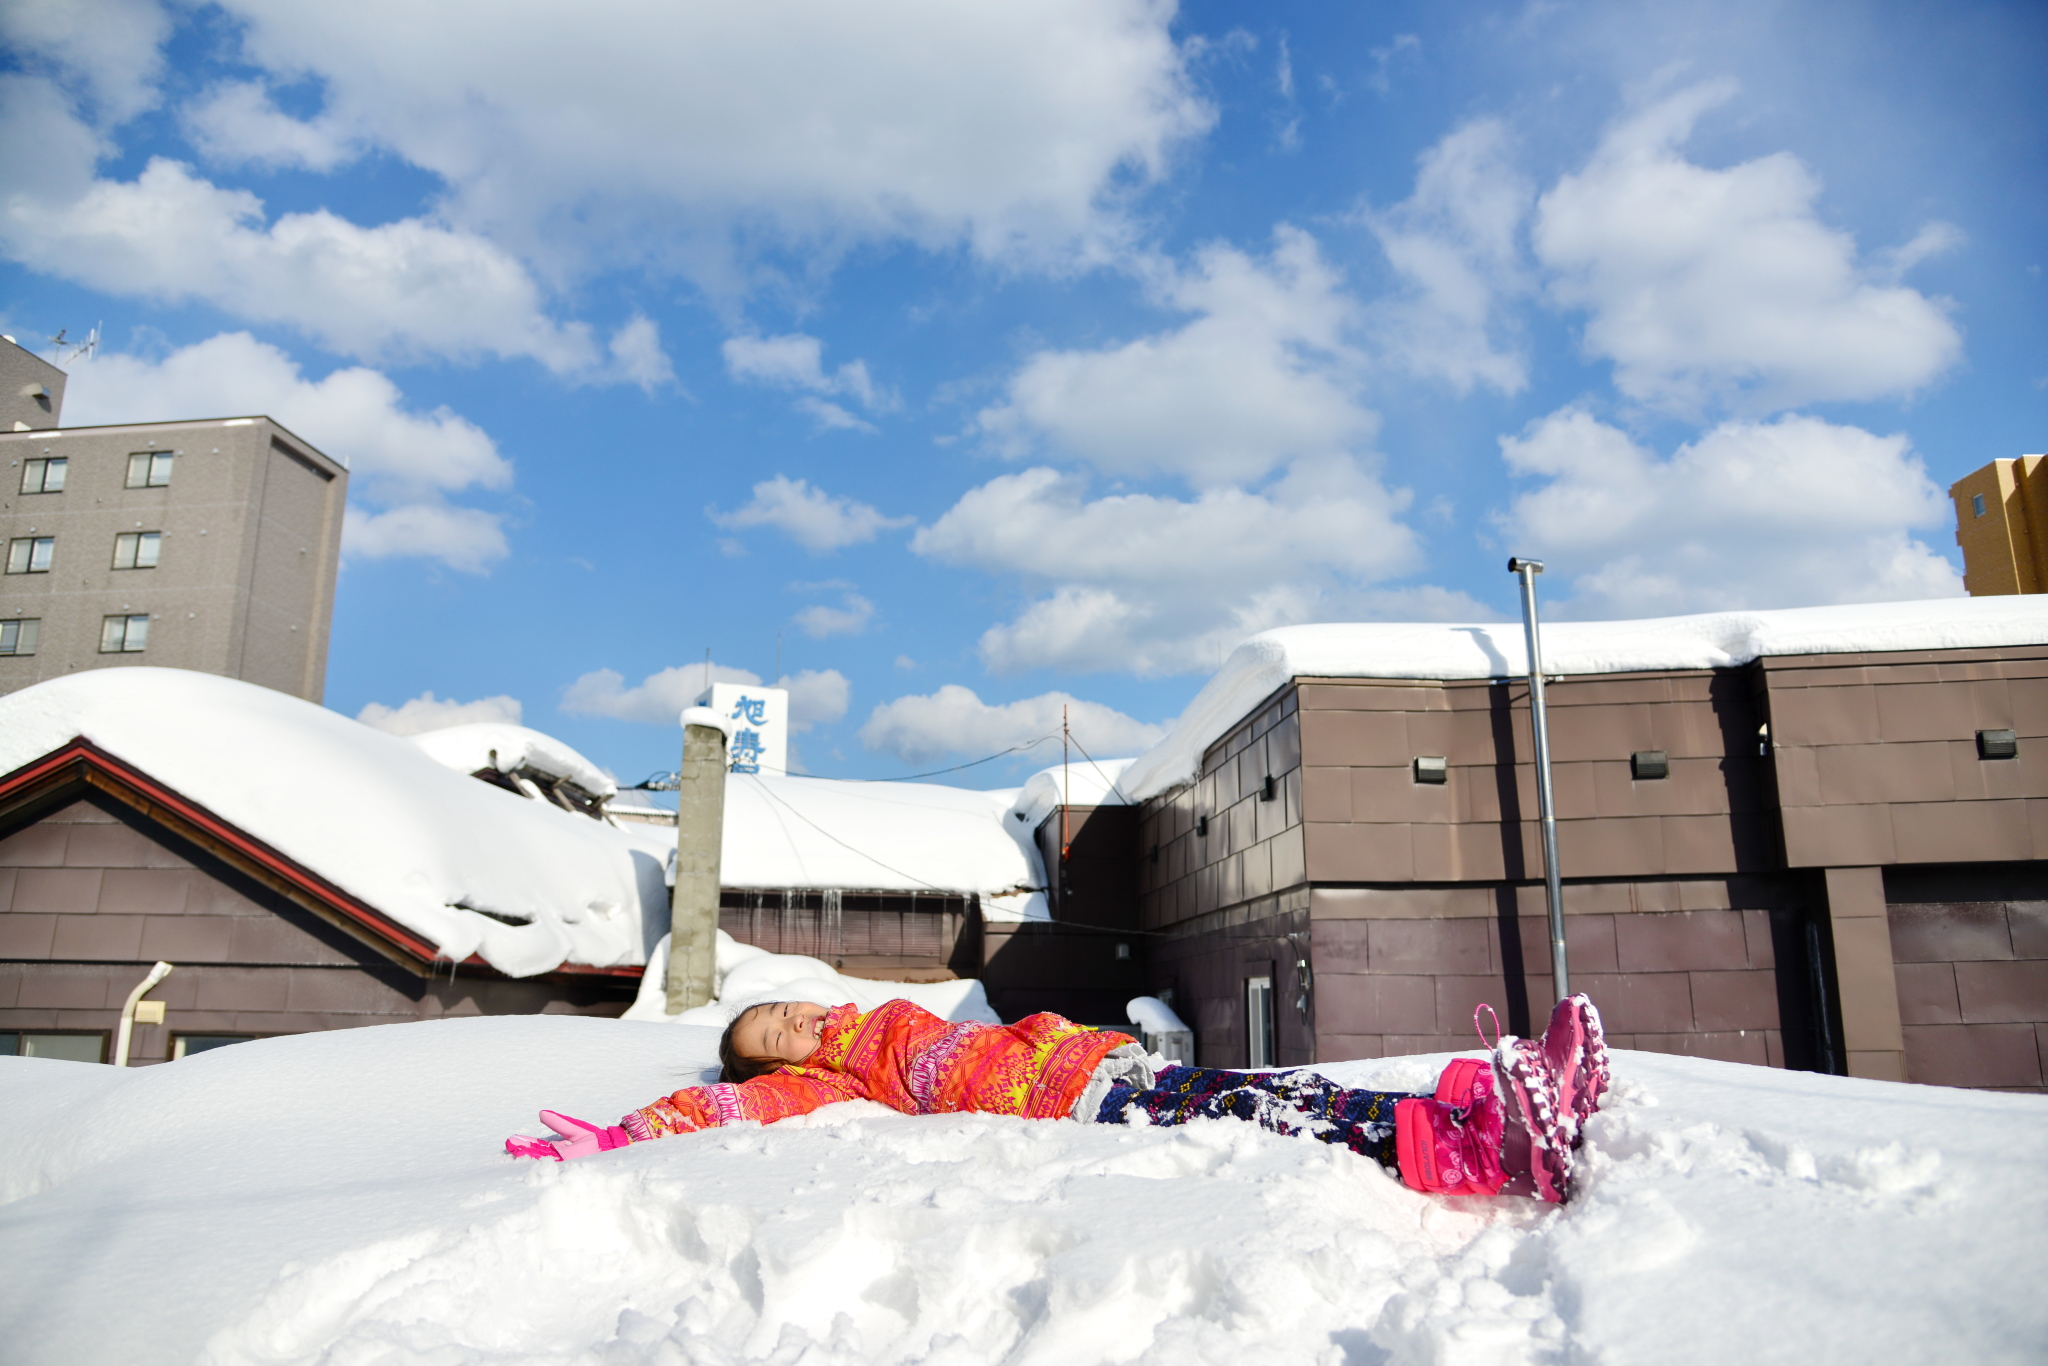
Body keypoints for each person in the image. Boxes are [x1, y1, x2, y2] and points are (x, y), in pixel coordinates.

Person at [507, 994, 1609, 1204]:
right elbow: (736, 1110)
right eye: (765, 1037)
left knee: (1287, 1090)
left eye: (781, 1009)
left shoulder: (865, 1017)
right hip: (1079, 1112)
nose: (788, 1024)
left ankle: (1495, 1106)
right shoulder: (829, 1074)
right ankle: (1476, 1147)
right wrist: (624, 1133)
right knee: (1275, 1118)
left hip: (1101, 1067)